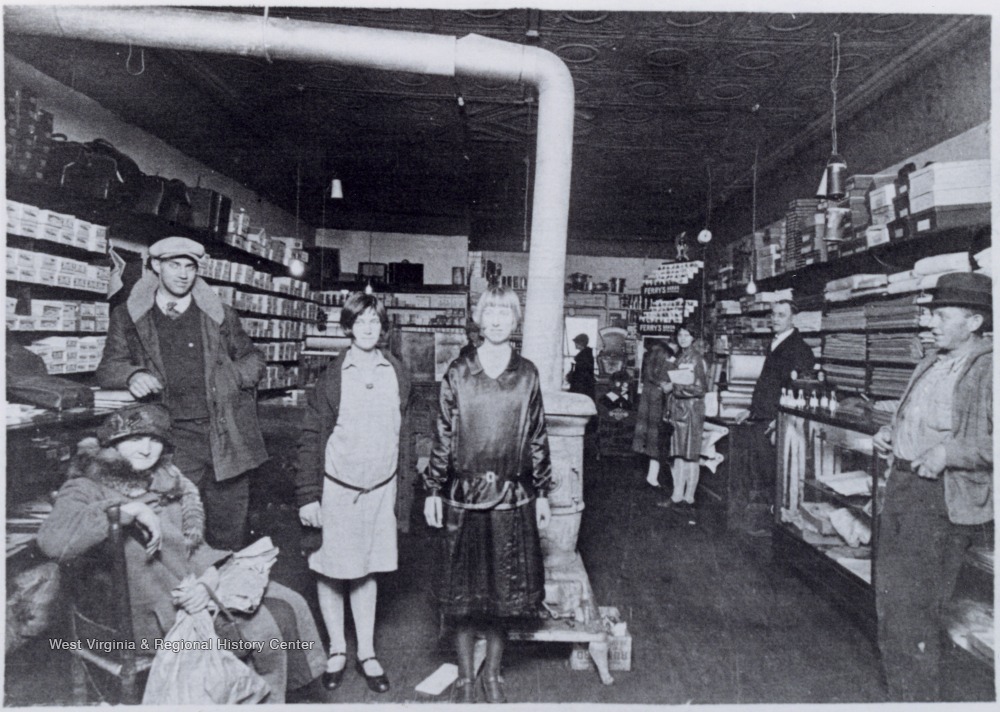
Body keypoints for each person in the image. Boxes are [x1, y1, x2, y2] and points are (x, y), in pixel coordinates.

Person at [36, 404, 327, 703]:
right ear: (111, 444)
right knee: (266, 623)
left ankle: (272, 696)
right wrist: (124, 511)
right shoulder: (86, 485)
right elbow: (52, 541)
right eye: (134, 439)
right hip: (139, 617)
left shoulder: (168, 480)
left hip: (184, 587)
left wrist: (208, 580)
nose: (146, 449)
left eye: (154, 439)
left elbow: (191, 548)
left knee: (291, 603)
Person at [423, 286, 553, 704]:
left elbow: (537, 437)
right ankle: (464, 677)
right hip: (463, 496)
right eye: (490, 312)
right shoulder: (458, 372)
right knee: (464, 595)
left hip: (512, 498)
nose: (496, 320)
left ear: (515, 321)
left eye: (505, 313)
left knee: (503, 594)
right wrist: (432, 489)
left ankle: (493, 675)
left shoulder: (528, 373)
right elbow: (442, 435)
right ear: (479, 319)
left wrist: (544, 493)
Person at [96, 236, 267, 551]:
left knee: (229, 533)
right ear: (157, 266)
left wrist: (233, 377)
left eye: (190, 266)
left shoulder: (220, 314)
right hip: (172, 440)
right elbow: (108, 367)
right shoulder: (128, 316)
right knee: (175, 533)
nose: (183, 274)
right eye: (174, 265)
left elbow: (253, 358)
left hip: (224, 434)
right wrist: (132, 374)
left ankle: (225, 598)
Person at [871, 272, 993, 702]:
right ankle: (903, 697)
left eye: (941, 315)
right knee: (890, 603)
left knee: (916, 612)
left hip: (939, 499)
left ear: (974, 321)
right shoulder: (932, 361)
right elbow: (919, 417)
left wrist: (949, 453)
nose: (931, 323)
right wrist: (890, 431)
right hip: (902, 488)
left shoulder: (989, 367)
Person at [294, 291, 411, 694]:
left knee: (367, 568)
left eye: (374, 322)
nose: (367, 328)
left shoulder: (396, 371)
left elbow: (405, 437)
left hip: (380, 491)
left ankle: (366, 652)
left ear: (383, 328)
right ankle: (338, 650)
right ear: (347, 327)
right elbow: (311, 437)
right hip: (337, 490)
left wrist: (404, 496)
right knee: (331, 568)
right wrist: (309, 494)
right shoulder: (332, 376)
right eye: (359, 322)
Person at [733, 299, 814, 509]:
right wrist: (751, 411)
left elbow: (798, 392)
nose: (775, 319)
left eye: (781, 315)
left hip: (777, 422)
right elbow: (767, 384)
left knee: (777, 475)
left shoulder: (799, 349)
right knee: (763, 471)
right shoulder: (775, 342)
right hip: (763, 418)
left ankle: (776, 521)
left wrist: (780, 421)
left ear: (792, 318)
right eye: (773, 314)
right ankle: (767, 519)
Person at [656, 323, 708, 516]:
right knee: (679, 455)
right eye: (680, 335)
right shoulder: (682, 356)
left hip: (691, 411)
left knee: (690, 455)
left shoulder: (695, 358)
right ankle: (678, 496)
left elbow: (700, 389)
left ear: (693, 337)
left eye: (687, 335)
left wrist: (673, 387)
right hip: (680, 411)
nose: (683, 338)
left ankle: (689, 497)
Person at [632, 339, 675, 489]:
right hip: (660, 405)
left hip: (651, 404)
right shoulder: (668, 362)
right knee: (659, 442)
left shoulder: (652, 360)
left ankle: (652, 476)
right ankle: (657, 478)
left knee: (654, 442)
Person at [567, 333, 596, 401]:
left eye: (576, 343)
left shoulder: (583, 356)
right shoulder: (587, 354)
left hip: (582, 387)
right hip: (584, 386)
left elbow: (581, 373)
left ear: (581, 343)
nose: (575, 344)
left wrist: (572, 376)